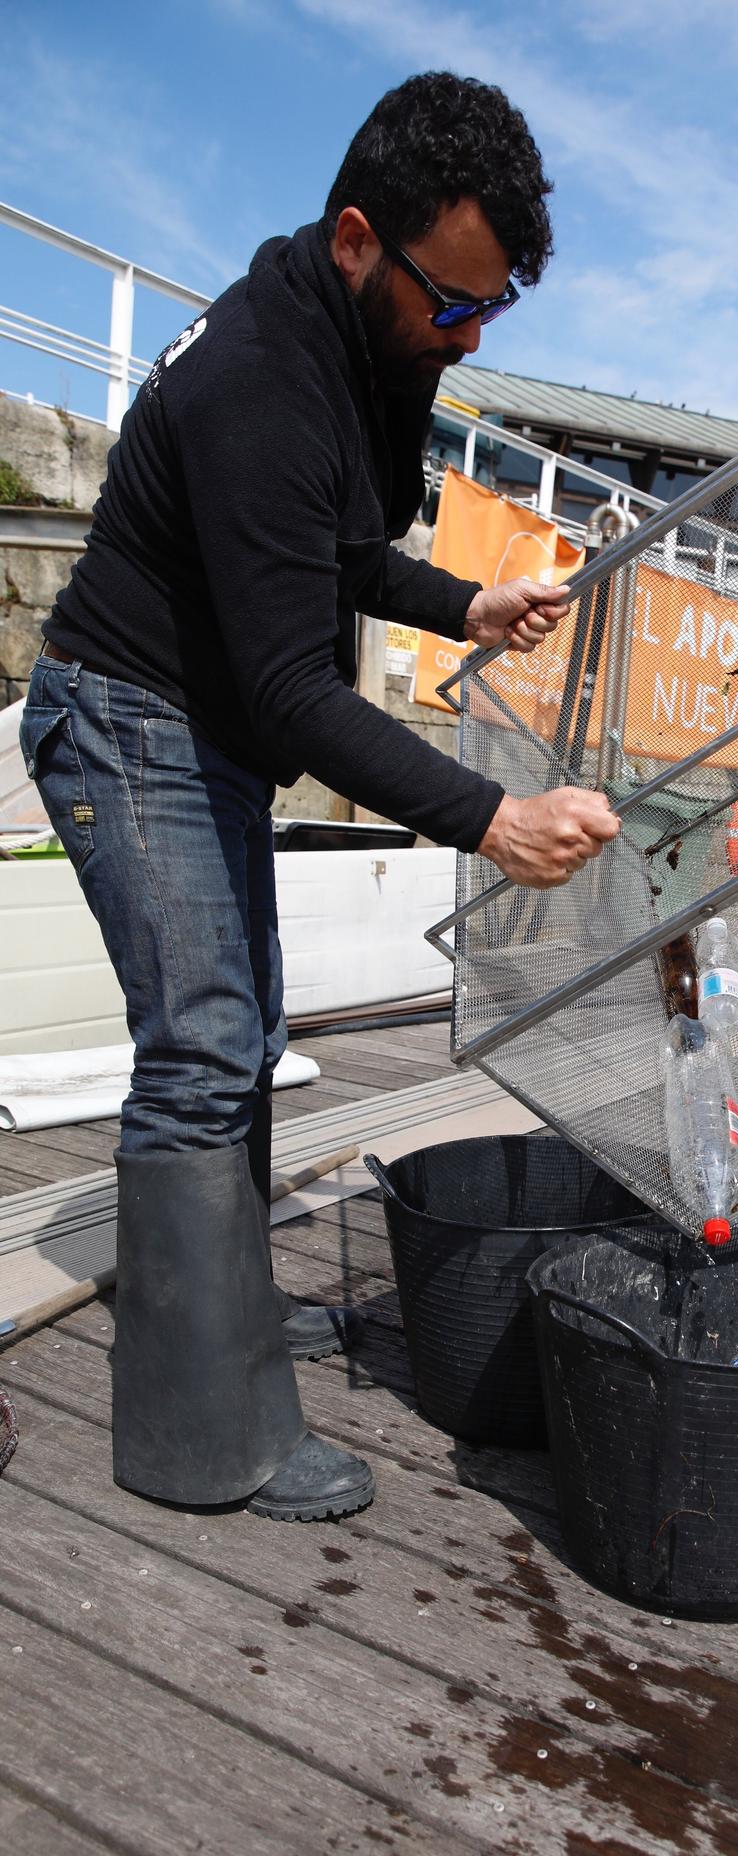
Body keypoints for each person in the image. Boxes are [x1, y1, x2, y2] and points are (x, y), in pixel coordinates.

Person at [20, 72, 620, 1523]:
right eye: (450, 304)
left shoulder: (359, 331)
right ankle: (196, 1437)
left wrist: (466, 600)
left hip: (204, 721)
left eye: (492, 314)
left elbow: (333, 552)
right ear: (359, 238)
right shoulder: (261, 381)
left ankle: (223, 1315)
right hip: (125, 717)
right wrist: (492, 820)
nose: (465, 335)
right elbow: (298, 689)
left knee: (246, 1031)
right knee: (203, 1051)